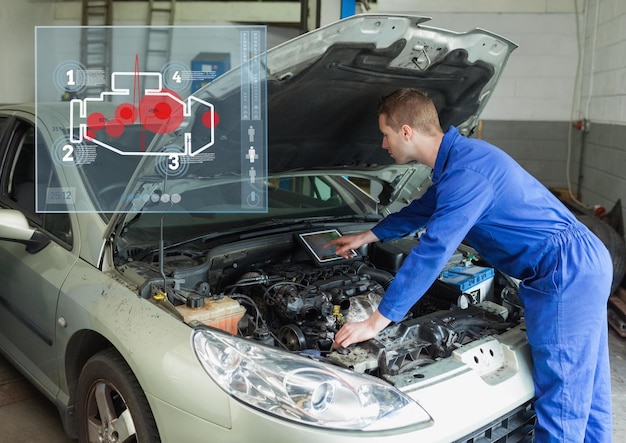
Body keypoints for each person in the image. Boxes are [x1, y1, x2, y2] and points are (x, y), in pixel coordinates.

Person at [325, 88, 613, 442]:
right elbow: (421, 210)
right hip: (581, 261)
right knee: (588, 386)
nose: (383, 145)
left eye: (384, 134)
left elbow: (434, 249)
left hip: (565, 269)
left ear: (406, 132)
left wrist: (377, 320)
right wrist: (367, 236)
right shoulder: (458, 162)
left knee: (563, 399)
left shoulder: (467, 174)